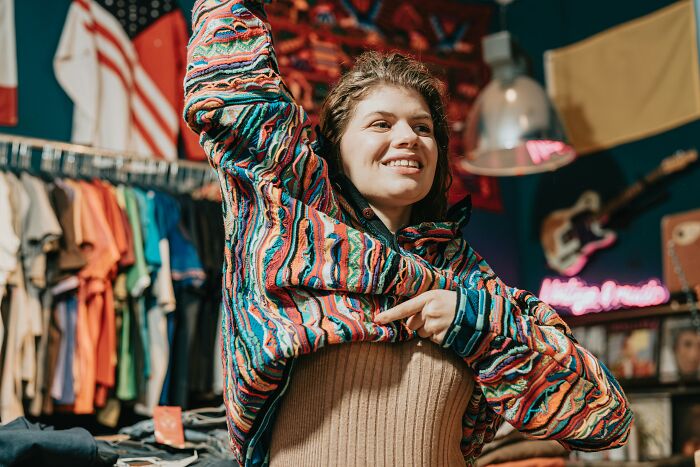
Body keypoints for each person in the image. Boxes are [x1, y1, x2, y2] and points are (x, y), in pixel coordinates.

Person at [184, 1, 633, 465]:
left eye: (423, 128)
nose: (408, 138)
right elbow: (233, 100)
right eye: (381, 123)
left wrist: (470, 324)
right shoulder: (291, 230)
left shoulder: (467, 281)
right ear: (334, 148)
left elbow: (605, 418)